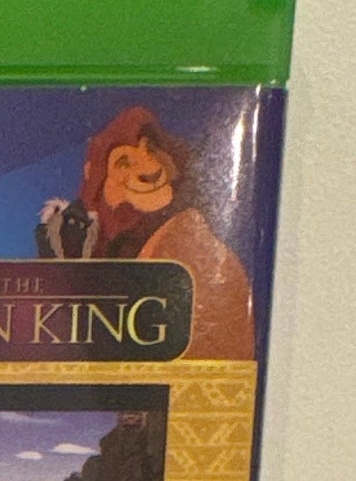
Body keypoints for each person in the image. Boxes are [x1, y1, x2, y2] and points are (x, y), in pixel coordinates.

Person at [36, 105, 254, 359]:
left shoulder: (186, 242)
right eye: (123, 162)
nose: (148, 166)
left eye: (151, 150)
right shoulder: (102, 243)